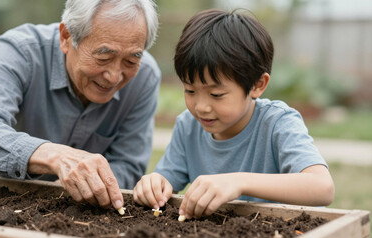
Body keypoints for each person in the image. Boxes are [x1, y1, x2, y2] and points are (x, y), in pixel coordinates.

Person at [0, 0, 160, 211]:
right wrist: (56, 157)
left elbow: (129, 165)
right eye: (104, 58)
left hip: (73, 201)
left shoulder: (146, 77)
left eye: (131, 62)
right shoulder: (20, 50)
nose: (114, 76)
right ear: (66, 37)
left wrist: (79, 186)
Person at [133, 9, 335, 220]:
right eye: (190, 90)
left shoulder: (277, 123)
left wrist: (238, 182)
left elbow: (322, 187)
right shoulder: (188, 126)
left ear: (258, 85)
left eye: (216, 94)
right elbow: (165, 182)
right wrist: (154, 183)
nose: (201, 107)